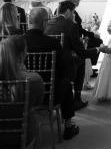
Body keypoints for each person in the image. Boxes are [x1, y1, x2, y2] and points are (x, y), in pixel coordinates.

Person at [24, 8, 79, 140]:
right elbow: (62, 71)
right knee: (66, 83)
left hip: (24, 93)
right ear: (44, 24)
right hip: (49, 95)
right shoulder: (52, 43)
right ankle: (68, 126)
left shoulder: (19, 41)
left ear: (28, 22)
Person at [44, 0, 104, 110]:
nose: (73, 15)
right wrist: (98, 49)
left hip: (47, 65)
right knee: (81, 60)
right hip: (64, 67)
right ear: (68, 12)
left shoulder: (48, 23)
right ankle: (77, 99)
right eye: (73, 12)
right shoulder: (71, 25)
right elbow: (82, 53)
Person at [0, 36, 44, 147]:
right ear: (21, 55)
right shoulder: (34, 80)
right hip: (22, 135)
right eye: (26, 50)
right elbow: (38, 103)